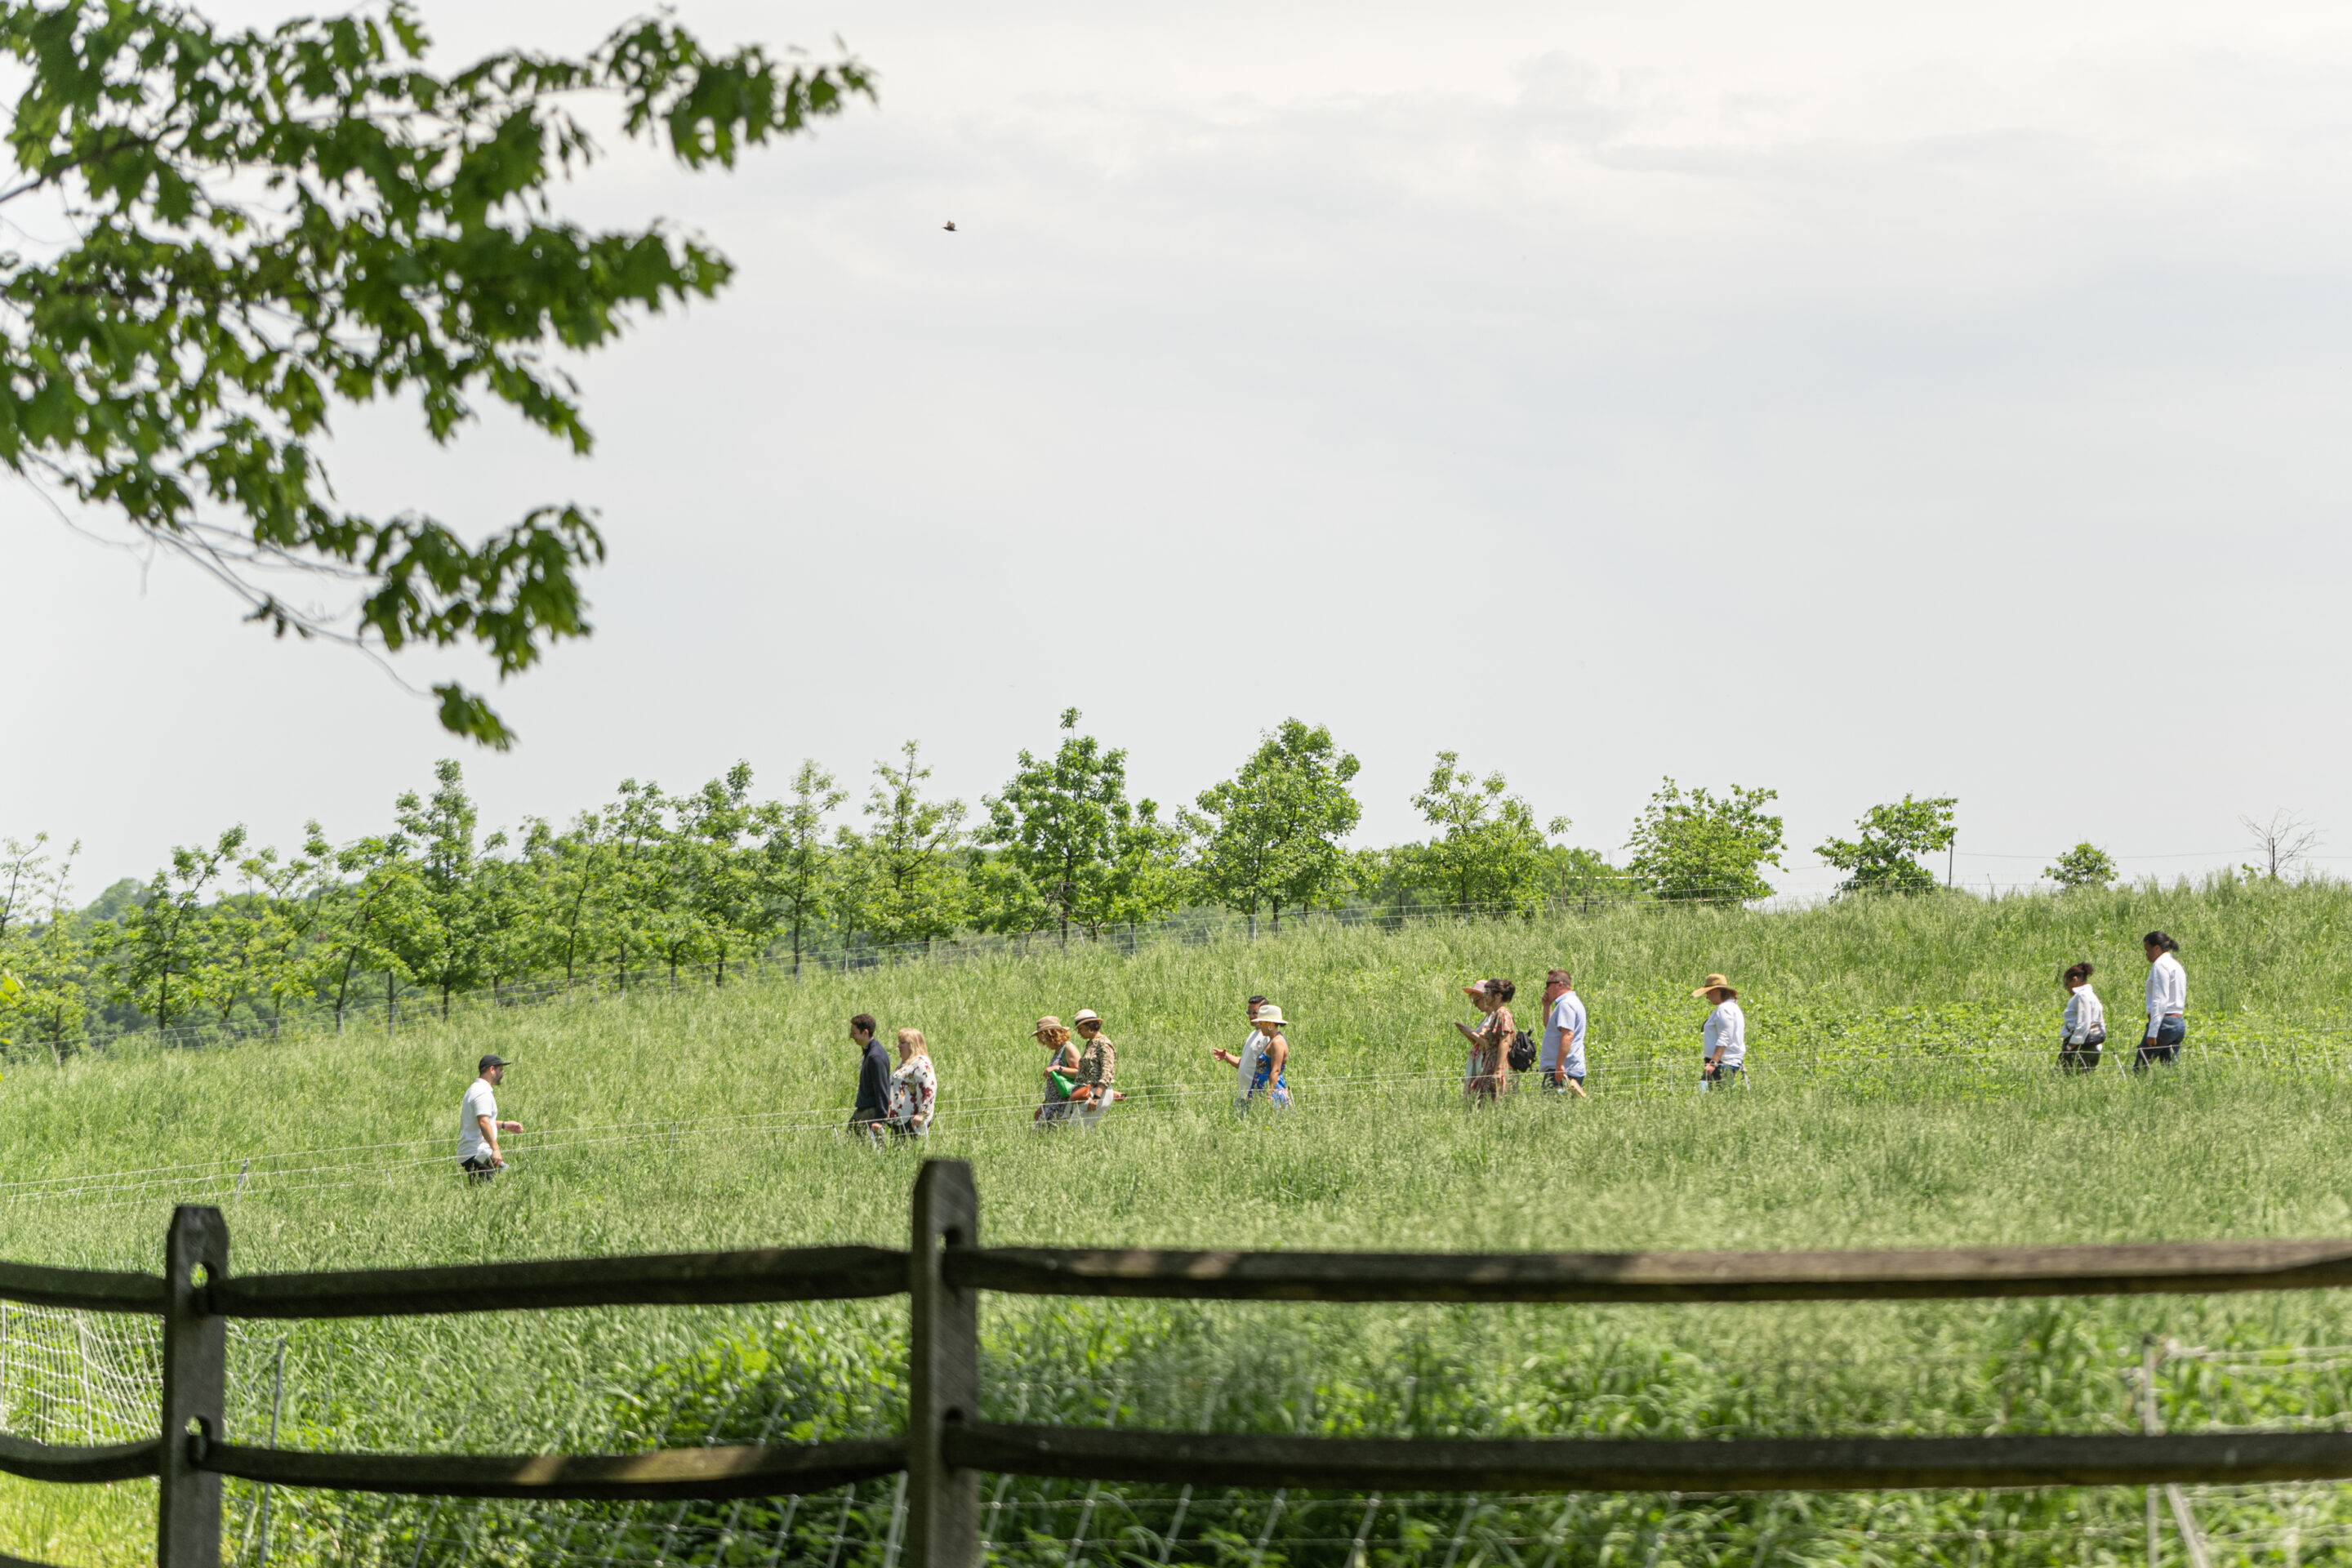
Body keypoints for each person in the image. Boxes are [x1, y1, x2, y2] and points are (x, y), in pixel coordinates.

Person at [457, 1054, 523, 1182]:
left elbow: (481, 1120)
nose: (502, 1074)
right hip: (478, 1152)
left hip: (472, 1152)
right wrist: (496, 1149)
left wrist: (504, 1125)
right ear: (492, 1069)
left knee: (487, 1188)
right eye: (500, 1070)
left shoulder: (475, 1089)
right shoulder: (482, 1092)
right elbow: (483, 1122)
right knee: (505, 1181)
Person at [1456, 979, 1516, 1103]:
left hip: (1498, 1069)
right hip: (1489, 1067)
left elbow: (1505, 1042)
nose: (1485, 996)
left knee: (1494, 1106)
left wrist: (1498, 1071)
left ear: (1498, 996)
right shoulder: (1496, 1014)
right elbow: (1489, 1046)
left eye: (1487, 993)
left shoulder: (1503, 1014)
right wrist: (1482, 1075)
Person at [1211, 996, 1271, 1112]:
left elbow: (1273, 1067)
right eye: (1249, 1012)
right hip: (1244, 1095)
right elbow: (1244, 1062)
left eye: (1255, 1013)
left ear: (1265, 1013)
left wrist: (1267, 1094)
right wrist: (1226, 1056)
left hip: (1257, 1096)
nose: (1251, 1016)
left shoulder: (1267, 1037)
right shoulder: (1252, 1035)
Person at [2137, 931, 2188, 1070]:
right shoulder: (2176, 965)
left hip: (2164, 1024)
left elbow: (2160, 1000)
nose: (2146, 954)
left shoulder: (2160, 965)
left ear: (2157, 948)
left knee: (2140, 1068)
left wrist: (2153, 1032)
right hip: (2178, 1023)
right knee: (2170, 1071)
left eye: (2147, 950)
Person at [1539, 968, 1589, 1098]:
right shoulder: (1570, 1003)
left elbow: (1568, 1035)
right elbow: (1551, 1028)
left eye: (1548, 985)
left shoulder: (1566, 1005)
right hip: (1564, 1068)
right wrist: (1547, 1007)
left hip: (1562, 1070)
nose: (1546, 989)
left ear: (1560, 984)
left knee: (1552, 1111)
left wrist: (1559, 1065)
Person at [1067, 1009, 1120, 1128]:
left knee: (1077, 1130)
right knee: (1081, 1130)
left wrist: (1097, 1097)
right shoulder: (1091, 1043)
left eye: (1080, 1029)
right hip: (1087, 1093)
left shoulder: (1104, 1044)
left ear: (1089, 1027)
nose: (1079, 1033)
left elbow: (1107, 1072)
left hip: (1095, 1094)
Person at [1235, 1004, 1292, 1109]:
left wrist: (1269, 1096)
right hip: (1261, 1092)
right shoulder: (1272, 1041)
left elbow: (1276, 1071)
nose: (1259, 1026)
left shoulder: (1277, 1042)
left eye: (1261, 1023)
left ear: (1270, 1023)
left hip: (1272, 1094)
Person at [1695, 974, 1746, 1089]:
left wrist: (1713, 1063)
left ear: (1716, 990)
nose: (1707, 997)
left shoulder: (1724, 1009)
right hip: (1726, 1062)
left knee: (1715, 1099)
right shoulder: (1733, 1007)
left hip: (1721, 1063)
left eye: (1708, 992)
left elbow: (1725, 1037)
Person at [886, 1027, 937, 1138]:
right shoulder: (904, 1064)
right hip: (899, 1120)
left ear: (913, 1045)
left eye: (902, 1043)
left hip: (912, 1121)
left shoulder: (921, 1063)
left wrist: (922, 1114)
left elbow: (930, 1088)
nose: (898, 1046)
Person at [849, 1014, 892, 1144]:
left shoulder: (875, 1057)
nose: (851, 1036)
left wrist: (880, 1119)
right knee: (851, 1147)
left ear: (865, 1032)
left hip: (871, 1113)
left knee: (876, 1149)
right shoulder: (870, 1052)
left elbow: (882, 1088)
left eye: (854, 1033)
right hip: (863, 1111)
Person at [2059, 962, 2105, 1072]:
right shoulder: (2092, 996)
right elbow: (2100, 1022)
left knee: (2063, 1076)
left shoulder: (2082, 995)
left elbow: (2084, 1023)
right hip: (2094, 1044)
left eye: (2067, 984)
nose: (2067, 988)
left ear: (2074, 980)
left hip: (2079, 1045)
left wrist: (2071, 1046)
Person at [1033, 1016, 1079, 1125]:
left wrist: (1058, 1068)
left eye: (1044, 1039)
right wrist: (1043, 1107)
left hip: (1064, 1104)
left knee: (1039, 1133)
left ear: (1052, 1035)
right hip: (1053, 1103)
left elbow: (1080, 1073)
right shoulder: (1059, 1050)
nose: (1044, 1044)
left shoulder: (1068, 1048)